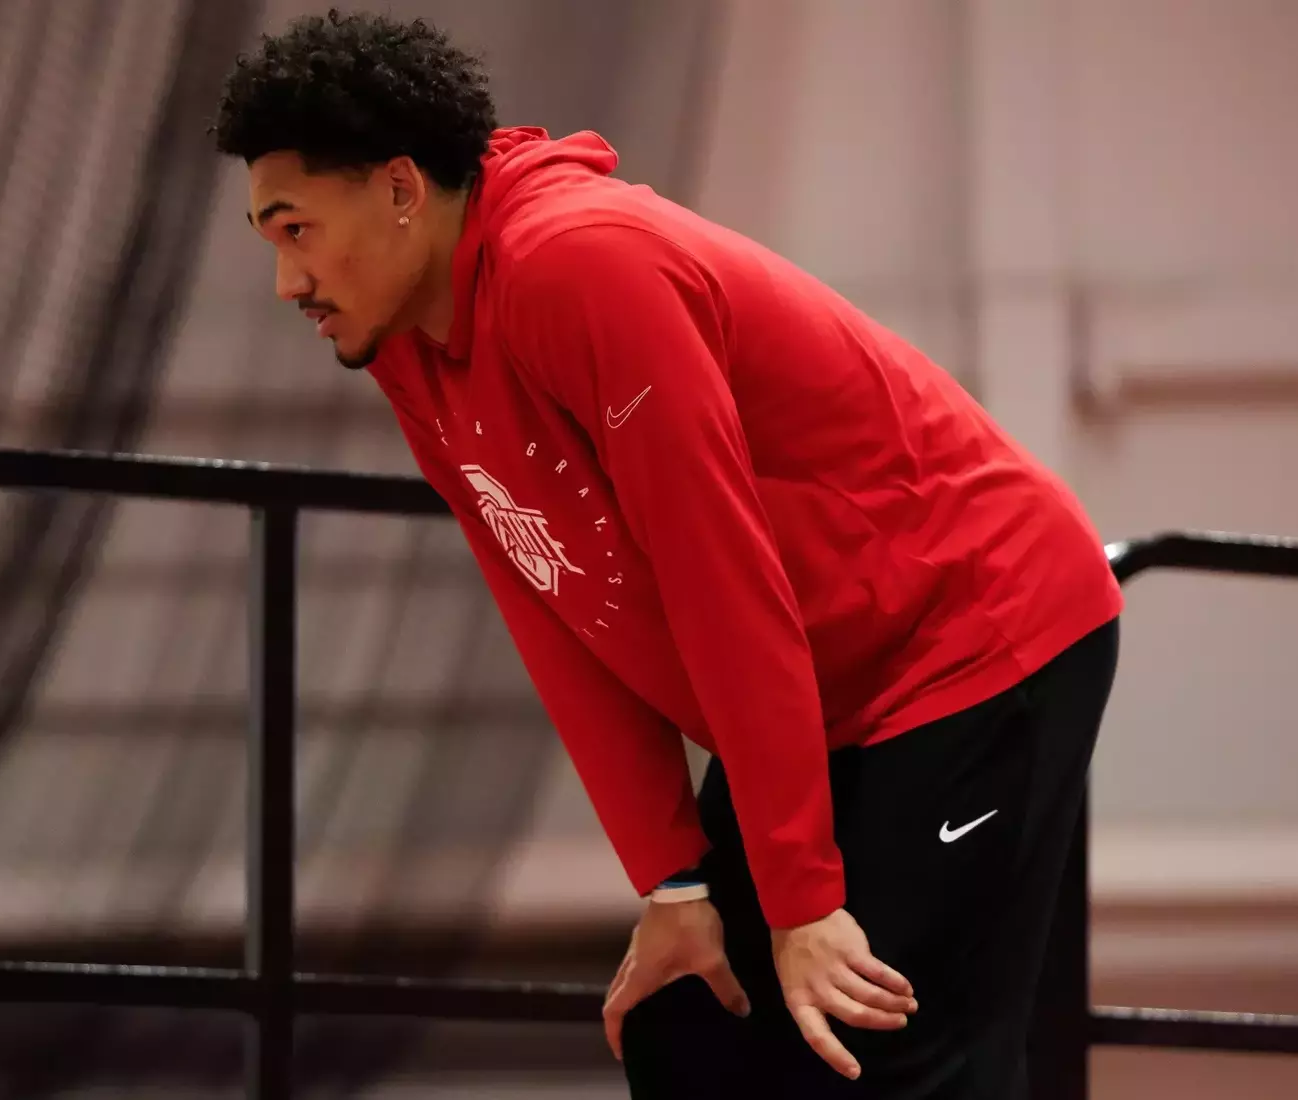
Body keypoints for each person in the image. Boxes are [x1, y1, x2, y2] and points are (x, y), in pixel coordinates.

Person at [213, 10, 1123, 1098]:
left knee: (881, 1048)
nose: (286, 282)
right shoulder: (412, 342)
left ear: (401, 189)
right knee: (689, 1032)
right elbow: (549, 593)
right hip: (828, 684)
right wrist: (676, 879)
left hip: (974, 639)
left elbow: (718, 576)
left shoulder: (582, 269)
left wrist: (797, 897)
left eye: (295, 230)